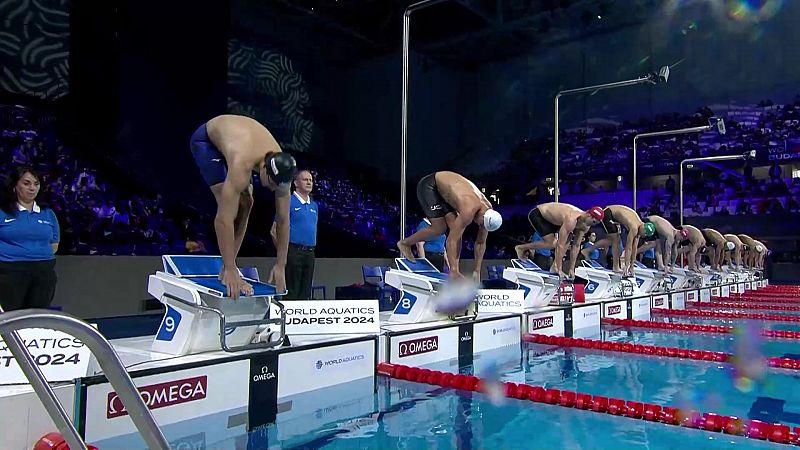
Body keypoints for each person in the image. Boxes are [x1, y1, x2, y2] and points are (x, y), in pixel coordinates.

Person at [190, 114, 296, 299]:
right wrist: (231, 268)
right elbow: (223, 220)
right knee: (237, 204)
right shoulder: (242, 162)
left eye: (278, 186)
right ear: (264, 169)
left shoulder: (282, 173)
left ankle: (228, 268)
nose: (273, 189)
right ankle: (228, 269)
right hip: (207, 141)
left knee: (248, 203)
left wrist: (281, 264)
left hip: (238, 138)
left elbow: (283, 221)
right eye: (272, 184)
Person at [397, 171, 502, 280]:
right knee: (439, 228)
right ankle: (405, 243)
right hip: (430, 186)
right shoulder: (468, 210)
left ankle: (455, 270)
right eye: (481, 223)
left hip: (446, 194)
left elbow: (480, 243)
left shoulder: (489, 213)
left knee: (456, 230)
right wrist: (453, 271)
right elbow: (451, 240)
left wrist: (477, 271)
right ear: (483, 216)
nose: (480, 225)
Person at [0, 166, 60, 311]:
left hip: (43, 272)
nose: (32, 188)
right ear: (15, 186)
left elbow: (54, 244)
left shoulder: (47, 213)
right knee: (11, 318)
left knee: (37, 318)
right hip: (10, 272)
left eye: (36, 183)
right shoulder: (3, 212)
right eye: (26, 183)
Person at [514, 202, 605, 279]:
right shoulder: (571, 219)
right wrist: (559, 269)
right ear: (589, 215)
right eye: (593, 222)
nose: (593, 225)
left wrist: (571, 269)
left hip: (555, 221)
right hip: (539, 214)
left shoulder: (585, 226)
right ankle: (521, 248)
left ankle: (554, 266)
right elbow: (560, 245)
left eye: (596, 224)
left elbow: (576, 246)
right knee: (552, 243)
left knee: (568, 238)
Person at [270, 170, 317, 299]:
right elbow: (274, 230)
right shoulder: (288, 202)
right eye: (305, 179)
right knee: (292, 291)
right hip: (293, 252)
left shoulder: (314, 206)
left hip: (310, 254)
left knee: (305, 292)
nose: (309, 182)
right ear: (296, 182)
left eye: (311, 180)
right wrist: (283, 253)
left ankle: (301, 318)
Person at [591, 205, 654, 277]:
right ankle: (615, 267)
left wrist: (632, 266)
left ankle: (616, 266)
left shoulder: (640, 228)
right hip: (608, 213)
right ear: (644, 229)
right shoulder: (634, 228)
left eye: (645, 235)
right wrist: (626, 266)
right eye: (645, 234)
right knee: (615, 240)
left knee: (614, 240)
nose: (644, 236)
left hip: (615, 217)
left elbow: (634, 249)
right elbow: (628, 248)